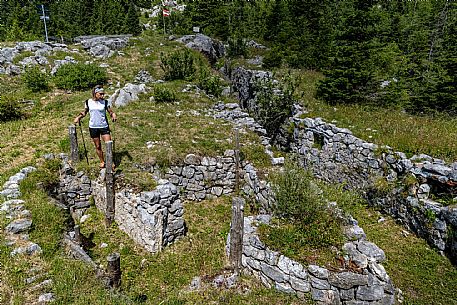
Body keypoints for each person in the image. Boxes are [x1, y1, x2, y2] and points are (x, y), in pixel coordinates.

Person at [74, 85, 117, 169]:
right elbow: (84, 112)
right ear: (95, 93)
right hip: (93, 127)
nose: (102, 96)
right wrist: (78, 117)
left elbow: (110, 111)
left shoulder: (105, 102)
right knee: (98, 146)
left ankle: (110, 161)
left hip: (104, 126)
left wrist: (113, 114)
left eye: (103, 94)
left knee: (108, 144)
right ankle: (102, 161)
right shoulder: (88, 102)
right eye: (100, 94)